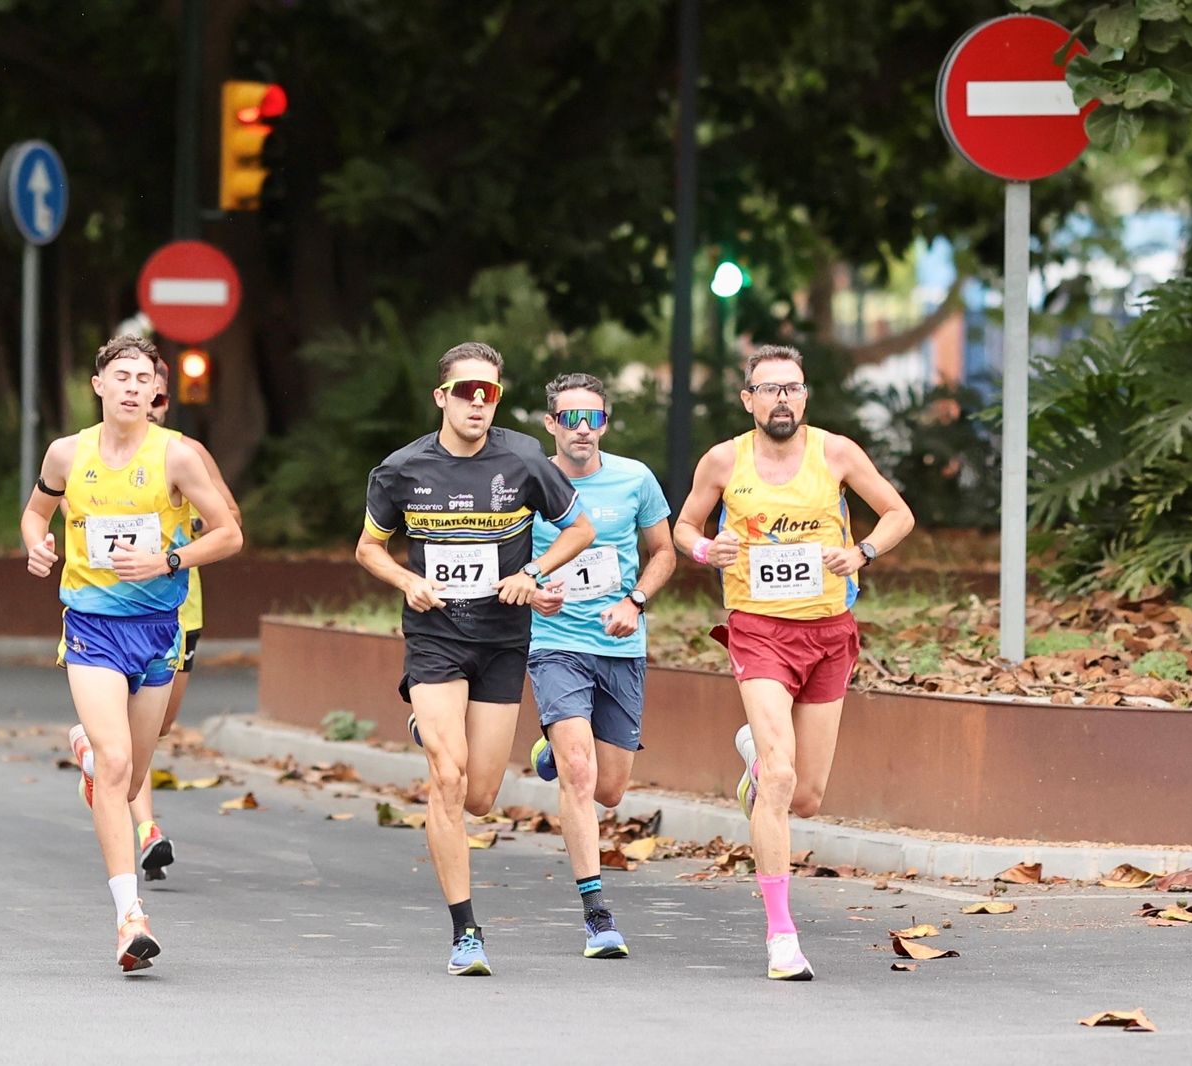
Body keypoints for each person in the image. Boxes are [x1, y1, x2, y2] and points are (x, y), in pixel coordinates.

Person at [671, 344, 914, 981]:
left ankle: (756, 753)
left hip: (829, 631)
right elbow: (684, 527)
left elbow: (898, 513)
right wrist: (705, 550)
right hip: (759, 632)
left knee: (805, 796)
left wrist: (861, 552)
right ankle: (783, 936)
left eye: (793, 388)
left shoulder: (837, 453)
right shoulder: (724, 460)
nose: (783, 398)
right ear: (747, 399)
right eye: (769, 388)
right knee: (780, 779)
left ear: (806, 397)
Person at [355, 341, 595, 976]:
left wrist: (534, 571)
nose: (477, 403)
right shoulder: (403, 468)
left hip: (502, 640)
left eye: (488, 392)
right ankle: (466, 931)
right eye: (465, 391)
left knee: (483, 795)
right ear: (442, 397)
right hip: (435, 636)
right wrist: (406, 581)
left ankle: (432, 732)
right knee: (448, 776)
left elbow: (581, 529)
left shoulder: (521, 459)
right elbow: (369, 550)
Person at [22, 334, 242, 972]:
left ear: (155, 392)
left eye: (141, 377)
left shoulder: (177, 457)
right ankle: (129, 918)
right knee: (118, 770)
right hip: (90, 626)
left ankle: (90, 753)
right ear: (98, 385)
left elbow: (230, 533)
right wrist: (37, 544)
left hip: (159, 628)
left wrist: (169, 558)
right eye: (119, 375)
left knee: (129, 776)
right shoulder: (67, 454)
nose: (129, 386)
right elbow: (36, 514)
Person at [524, 373, 675, 959]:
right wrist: (533, 590)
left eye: (592, 419)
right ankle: (597, 916)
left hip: (619, 646)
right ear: (551, 425)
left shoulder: (635, 478)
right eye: (569, 418)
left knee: (609, 791)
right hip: (554, 641)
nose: (581, 429)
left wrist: (634, 602)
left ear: (605, 424)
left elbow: (662, 552)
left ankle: (553, 750)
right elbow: (507, 557)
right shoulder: (528, 480)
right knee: (580, 773)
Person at [92, 355, 242, 880]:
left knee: (155, 727)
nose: (144, 403)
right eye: (130, 386)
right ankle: (145, 828)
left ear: (164, 400)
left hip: (177, 608)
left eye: (155, 396)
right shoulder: (89, 455)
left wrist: (185, 529)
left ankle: (103, 752)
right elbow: (72, 515)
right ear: (108, 390)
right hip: (107, 611)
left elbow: (231, 521)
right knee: (121, 740)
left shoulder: (184, 453)